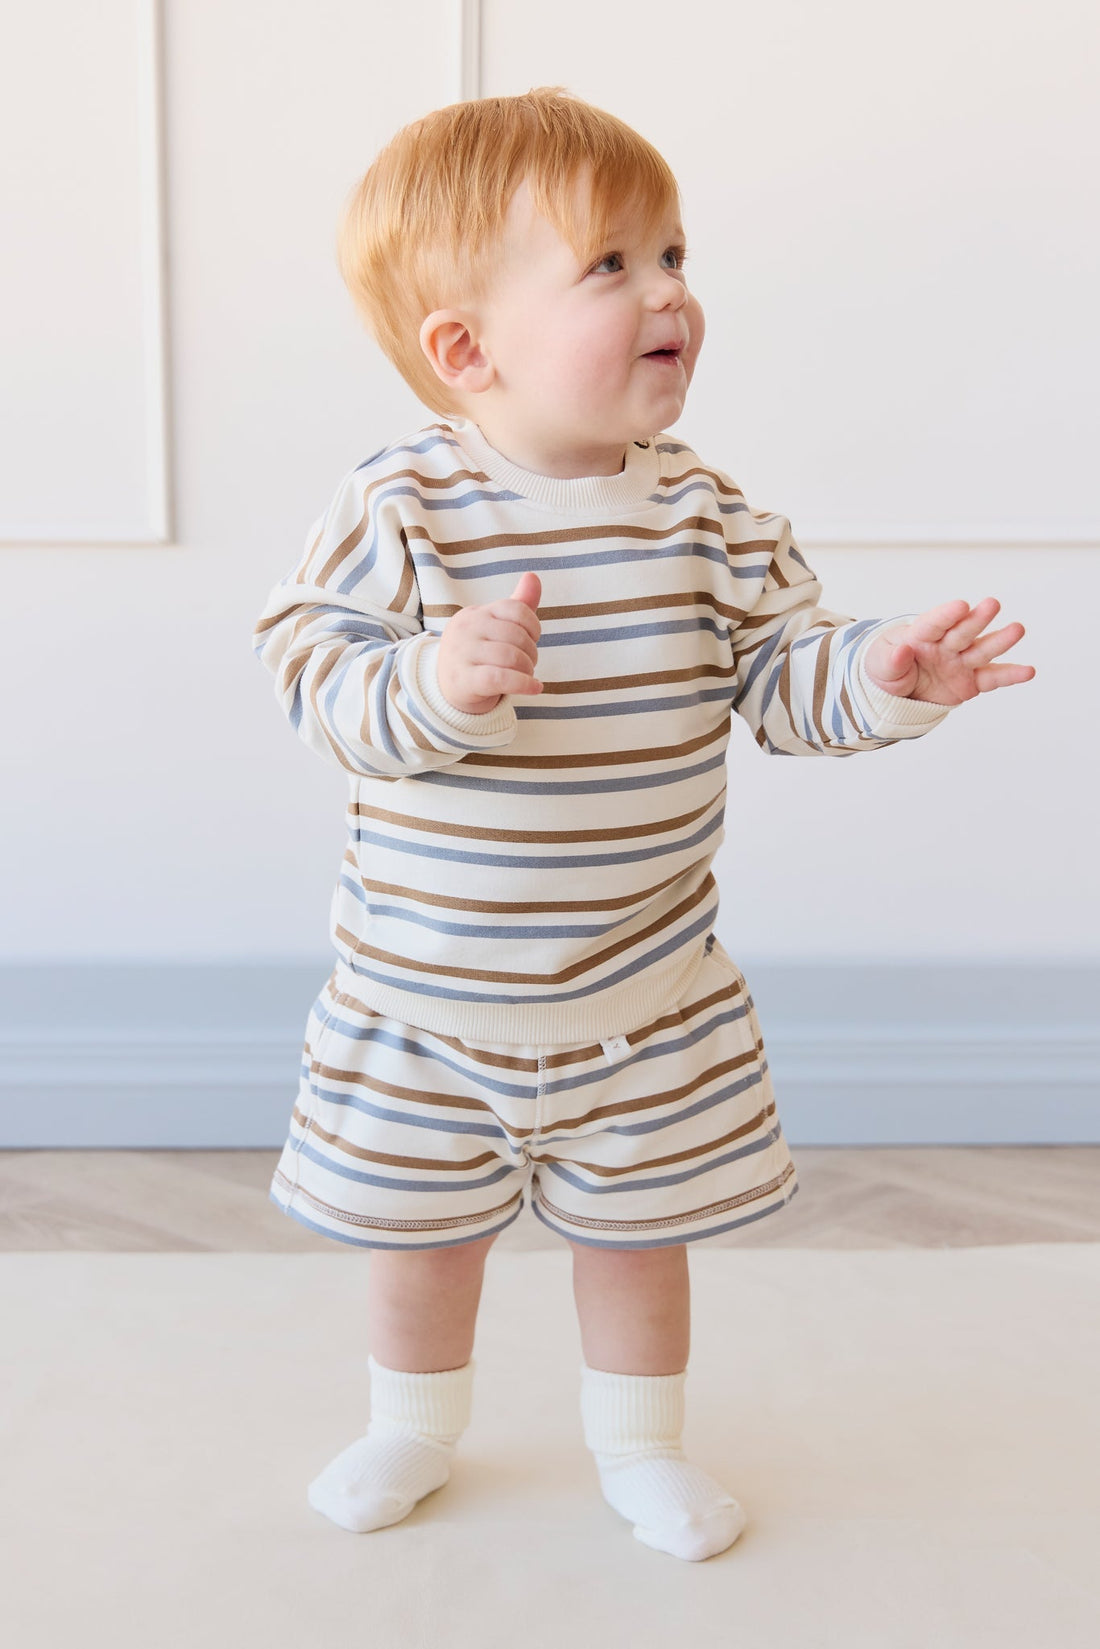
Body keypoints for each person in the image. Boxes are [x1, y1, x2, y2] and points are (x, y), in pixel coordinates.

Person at [252, 88, 1034, 1561]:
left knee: (636, 1237)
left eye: (673, 253)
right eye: (609, 264)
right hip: (428, 1004)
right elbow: (311, 673)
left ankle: (641, 1446)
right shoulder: (403, 506)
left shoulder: (708, 519)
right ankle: (413, 1425)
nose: (669, 290)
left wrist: (882, 677)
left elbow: (781, 679)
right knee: (425, 1239)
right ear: (467, 349)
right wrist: (432, 678)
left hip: (644, 999)